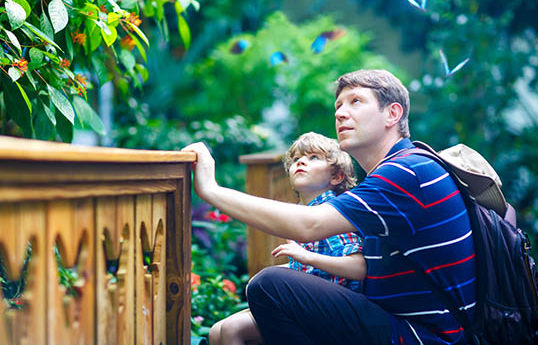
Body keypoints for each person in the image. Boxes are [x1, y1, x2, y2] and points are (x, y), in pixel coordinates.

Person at [183, 69, 476, 344]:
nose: (340, 113)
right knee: (255, 305)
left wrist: (211, 189)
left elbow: (309, 225)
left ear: (392, 113)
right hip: (400, 323)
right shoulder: (397, 170)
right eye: (338, 105)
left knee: (269, 285)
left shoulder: (406, 172)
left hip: (424, 336)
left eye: (356, 101)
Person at [208, 132, 365, 345]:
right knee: (217, 331)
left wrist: (307, 257)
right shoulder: (302, 211)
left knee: (232, 329)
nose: (301, 161)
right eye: (296, 159)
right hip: (305, 304)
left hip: (330, 312)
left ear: (336, 176)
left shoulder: (331, 213)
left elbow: (358, 267)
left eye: (313, 158)